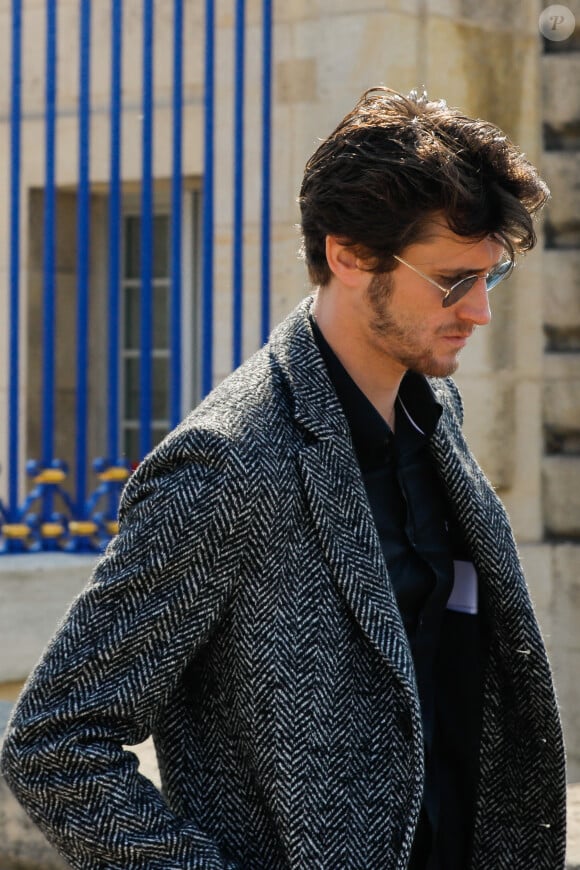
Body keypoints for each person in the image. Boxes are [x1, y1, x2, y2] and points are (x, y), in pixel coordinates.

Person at [1, 87, 566, 869]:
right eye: (451, 282)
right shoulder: (229, 460)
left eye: (489, 278)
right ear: (348, 255)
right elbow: (53, 744)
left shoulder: (439, 415)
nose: (479, 313)